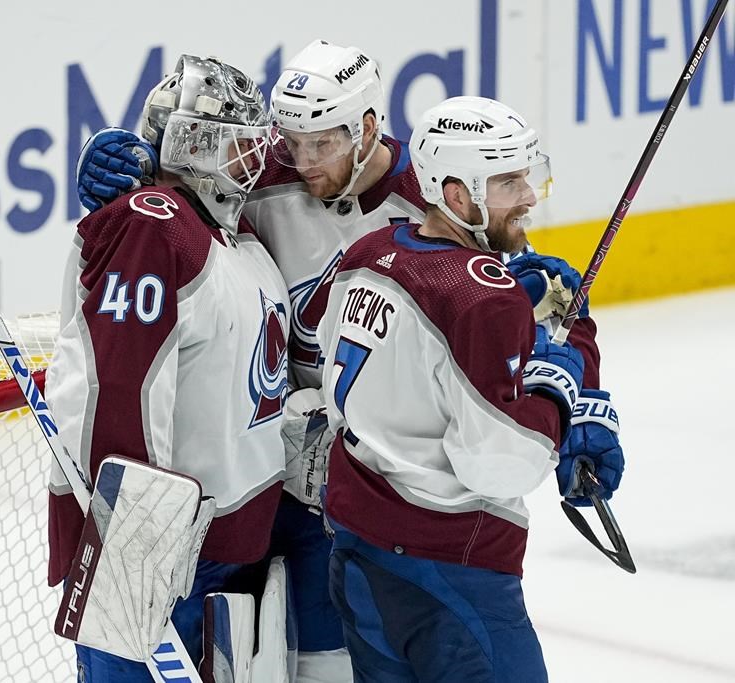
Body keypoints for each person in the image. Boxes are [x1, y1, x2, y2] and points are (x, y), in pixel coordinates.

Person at [73, 41, 620, 683]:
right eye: (291, 140)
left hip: (349, 498)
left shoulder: (432, 208)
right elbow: (180, 207)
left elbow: (517, 327)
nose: (300, 161)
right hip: (246, 475)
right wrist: (127, 173)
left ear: (366, 128)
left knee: (323, 671)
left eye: (321, 144)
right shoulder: (263, 173)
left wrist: (583, 408)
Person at [315, 95, 625, 682]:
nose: (529, 197)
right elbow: (498, 464)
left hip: (359, 556)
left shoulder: (368, 253)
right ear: (457, 195)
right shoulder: (483, 298)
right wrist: (560, 388)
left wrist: (556, 336)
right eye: (509, 182)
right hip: (451, 572)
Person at [46, 54, 291, 682]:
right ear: (194, 145)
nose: (254, 163)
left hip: (229, 553)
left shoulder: (240, 242)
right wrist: (129, 547)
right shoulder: (156, 228)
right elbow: (117, 387)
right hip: (159, 559)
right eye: (237, 147)